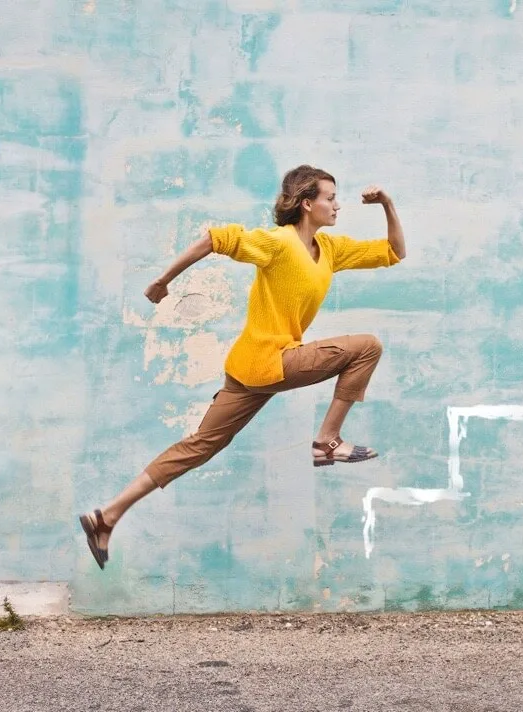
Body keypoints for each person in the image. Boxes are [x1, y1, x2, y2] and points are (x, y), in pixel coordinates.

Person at [78, 165, 406, 569]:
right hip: (270, 360)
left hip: (251, 368)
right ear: (307, 203)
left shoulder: (330, 251)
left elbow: (393, 252)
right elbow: (216, 239)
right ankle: (328, 440)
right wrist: (162, 281)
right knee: (367, 347)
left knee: (200, 445)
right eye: (330, 198)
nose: (337, 205)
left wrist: (387, 204)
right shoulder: (278, 243)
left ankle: (106, 516)